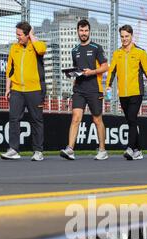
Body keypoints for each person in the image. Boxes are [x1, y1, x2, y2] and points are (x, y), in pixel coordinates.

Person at [60, 19, 109, 161]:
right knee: (75, 118)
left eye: (86, 30)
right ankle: (70, 149)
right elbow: (77, 69)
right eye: (81, 31)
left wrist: (92, 72)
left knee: (97, 119)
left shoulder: (96, 47)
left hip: (94, 89)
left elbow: (106, 67)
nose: (83, 33)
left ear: (89, 31)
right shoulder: (74, 50)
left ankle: (102, 150)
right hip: (79, 89)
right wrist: (72, 74)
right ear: (77, 32)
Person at [106, 25, 147, 160]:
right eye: (122, 37)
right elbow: (112, 71)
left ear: (131, 36)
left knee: (132, 118)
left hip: (136, 92)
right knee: (131, 121)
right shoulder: (117, 53)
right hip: (122, 94)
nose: (124, 39)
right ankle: (138, 150)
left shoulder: (140, 52)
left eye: (126, 36)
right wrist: (108, 85)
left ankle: (129, 148)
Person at [1, 21, 47, 161]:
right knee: (14, 119)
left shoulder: (36, 46)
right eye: (17, 34)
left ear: (27, 35)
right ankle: (14, 149)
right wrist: (8, 88)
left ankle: (38, 151)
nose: (17, 37)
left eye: (20, 35)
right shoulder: (14, 48)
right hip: (17, 90)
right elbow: (9, 70)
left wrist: (32, 35)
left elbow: (41, 50)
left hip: (35, 90)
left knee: (36, 120)